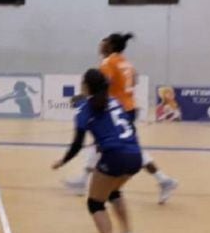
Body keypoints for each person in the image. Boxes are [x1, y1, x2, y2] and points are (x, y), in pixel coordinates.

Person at [64, 33, 177, 203]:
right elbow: (135, 79)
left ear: (110, 46)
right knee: (102, 145)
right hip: (128, 106)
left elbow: (102, 84)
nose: (101, 45)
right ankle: (83, 179)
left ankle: (164, 179)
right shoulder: (126, 62)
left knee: (120, 147)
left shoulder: (108, 62)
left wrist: (82, 96)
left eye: (104, 42)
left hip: (117, 109)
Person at [52, 68, 141, 233]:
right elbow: (130, 127)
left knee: (95, 202)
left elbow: (77, 144)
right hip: (135, 155)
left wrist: (62, 161)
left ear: (86, 86)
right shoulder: (114, 101)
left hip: (115, 156)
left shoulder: (85, 109)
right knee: (114, 192)